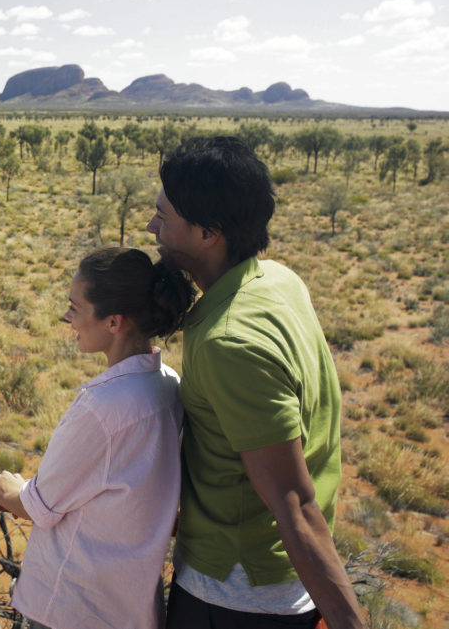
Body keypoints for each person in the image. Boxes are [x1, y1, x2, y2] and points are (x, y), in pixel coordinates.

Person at [147, 136, 364, 629]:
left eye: (164, 216)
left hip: (234, 595)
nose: (151, 226)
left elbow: (295, 504)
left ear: (208, 233)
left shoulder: (231, 343)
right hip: (271, 581)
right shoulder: (277, 279)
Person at [0, 246, 195, 629]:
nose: (67, 317)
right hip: (130, 605)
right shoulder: (170, 387)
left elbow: (41, 505)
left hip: (75, 608)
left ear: (114, 322)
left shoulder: (101, 407)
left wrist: (13, 490)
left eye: (75, 308)